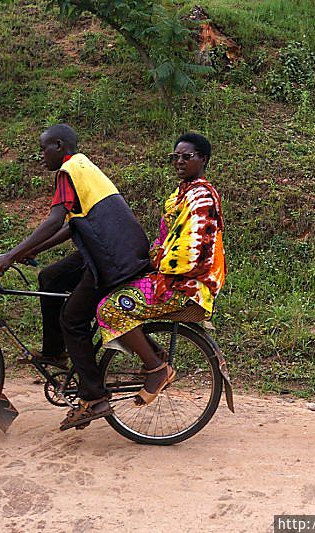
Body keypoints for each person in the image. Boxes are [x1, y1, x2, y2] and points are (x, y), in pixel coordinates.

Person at [0, 124, 150, 430]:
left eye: (43, 148)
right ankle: (56, 354)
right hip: (108, 248)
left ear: (59, 146)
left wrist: (8, 257)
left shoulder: (68, 170)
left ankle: (93, 397)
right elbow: (69, 227)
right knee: (50, 278)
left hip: (110, 256)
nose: (40, 156)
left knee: (72, 319)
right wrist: (24, 251)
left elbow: (54, 220)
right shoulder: (83, 167)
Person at [96, 132, 226, 406]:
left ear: (203, 159)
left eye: (187, 157)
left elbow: (193, 250)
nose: (179, 161)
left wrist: (157, 264)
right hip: (171, 278)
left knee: (110, 308)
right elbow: (166, 239)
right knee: (115, 292)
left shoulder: (200, 198)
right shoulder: (184, 194)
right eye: (175, 157)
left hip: (184, 285)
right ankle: (154, 356)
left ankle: (156, 369)